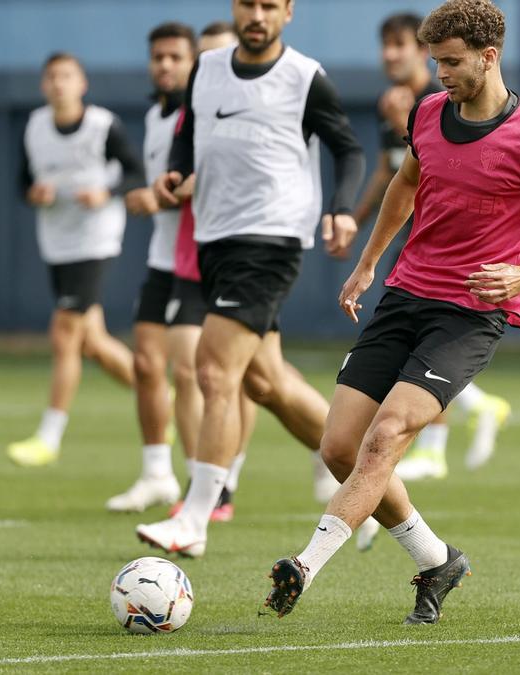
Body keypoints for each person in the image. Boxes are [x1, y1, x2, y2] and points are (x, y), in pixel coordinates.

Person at [263, 0, 520, 624]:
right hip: (403, 296)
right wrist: (368, 263)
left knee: (387, 436)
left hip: (469, 315)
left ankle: (305, 564)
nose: (440, 73)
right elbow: (405, 185)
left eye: (450, 62)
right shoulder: (426, 113)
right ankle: (437, 558)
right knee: (340, 446)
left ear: (488, 56)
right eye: (435, 61)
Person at [135, 0, 366, 558]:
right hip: (214, 241)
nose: (257, 14)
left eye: (269, 5)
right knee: (265, 384)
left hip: (269, 241)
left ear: (288, 12)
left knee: (214, 372)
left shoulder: (304, 77)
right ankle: (367, 479)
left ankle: (196, 517)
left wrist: (340, 207)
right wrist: (178, 171)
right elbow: (189, 132)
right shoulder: (206, 70)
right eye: (248, 3)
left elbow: (348, 148)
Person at [352, 11, 512, 488]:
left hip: (443, 242)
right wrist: (360, 230)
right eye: (388, 45)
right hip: (410, 236)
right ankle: (477, 409)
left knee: (425, 338)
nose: (391, 55)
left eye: (400, 44)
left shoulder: (443, 99)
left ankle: (443, 442)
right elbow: (396, 175)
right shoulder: (402, 106)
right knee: (411, 341)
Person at [9, 52, 143, 468]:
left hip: (95, 239)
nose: (58, 83)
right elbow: (23, 181)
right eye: (51, 77)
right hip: (57, 241)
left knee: (65, 333)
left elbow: (137, 174)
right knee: (93, 343)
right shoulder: (34, 127)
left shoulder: (102, 126)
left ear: (81, 84)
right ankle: (159, 396)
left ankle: (49, 436)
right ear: (42, 85)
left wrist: (106, 193)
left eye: (66, 76)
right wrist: (35, 193)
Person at [105, 22, 211, 514]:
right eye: (158, 57)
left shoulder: (200, 114)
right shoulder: (154, 116)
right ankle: (156, 474)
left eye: (175, 57)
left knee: (203, 373)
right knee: (147, 364)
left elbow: (199, 182)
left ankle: (204, 485)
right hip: (160, 260)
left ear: (194, 62)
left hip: (199, 261)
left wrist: (155, 197)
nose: (165, 65)